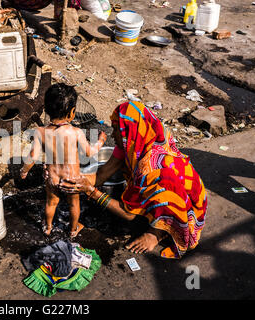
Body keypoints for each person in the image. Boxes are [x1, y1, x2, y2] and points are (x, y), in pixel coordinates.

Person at [59, 101, 208, 259]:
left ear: (127, 132)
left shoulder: (150, 167)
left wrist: (92, 192)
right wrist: (74, 179)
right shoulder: (136, 139)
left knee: (154, 202)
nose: (111, 134)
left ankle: (159, 232)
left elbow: (128, 213)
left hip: (185, 203)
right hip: (167, 186)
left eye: (115, 129)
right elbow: (102, 174)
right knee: (149, 193)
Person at [20, 83, 107, 238]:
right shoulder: (76, 132)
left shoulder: (40, 132)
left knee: (51, 203)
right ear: (72, 112)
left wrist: (24, 171)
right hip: (71, 180)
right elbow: (88, 152)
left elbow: (33, 156)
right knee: (74, 204)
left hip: (52, 178)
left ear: (46, 109)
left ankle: (47, 227)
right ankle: (73, 230)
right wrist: (100, 141)